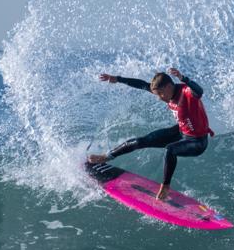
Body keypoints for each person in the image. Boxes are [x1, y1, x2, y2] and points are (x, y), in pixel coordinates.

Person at [88, 68, 214, 200]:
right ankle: (107, 156)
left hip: (197, 142)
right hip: (181, 132)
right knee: (141, 141)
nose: (159, 98)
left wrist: (183, 78)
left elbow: (199, 91)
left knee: (170, 150)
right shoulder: (166, 91)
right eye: (157, 94)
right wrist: (117, 79)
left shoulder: (186, 92)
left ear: (168, 86)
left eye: (160, 94)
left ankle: (165, 187)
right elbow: (142, 84)